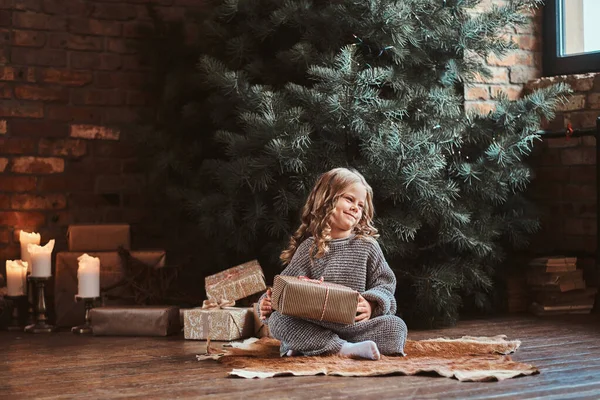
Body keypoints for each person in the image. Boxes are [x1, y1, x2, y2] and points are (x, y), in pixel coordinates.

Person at [257, 167, 407, 360]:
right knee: (279, 320)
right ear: (326, 200)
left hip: (353, 326)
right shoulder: (309, 248)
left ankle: (314, 346)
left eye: (361, 205)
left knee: (396, 327)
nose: (356, 208)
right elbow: (283, 287)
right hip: (315, 323)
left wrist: (371, 304)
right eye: (349, 199)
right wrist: (267, 303)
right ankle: (341, 348)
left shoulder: (368, 246)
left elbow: (385, 285)